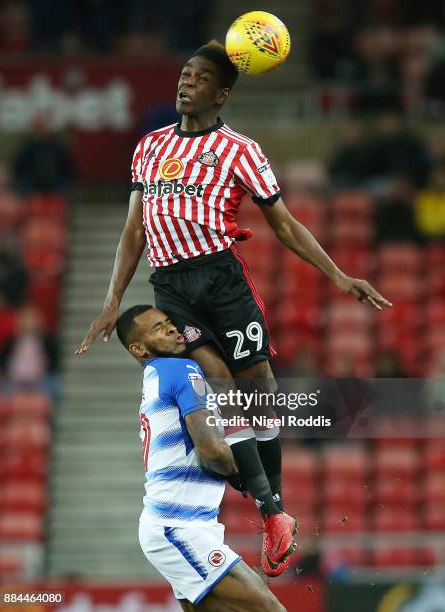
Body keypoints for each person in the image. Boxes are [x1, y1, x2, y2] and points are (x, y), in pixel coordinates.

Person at [76, 40, 391, 574]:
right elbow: (134, 229)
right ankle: (271, 513)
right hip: (172, 285)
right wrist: (111, 302)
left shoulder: (241, 150)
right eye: (184, 74)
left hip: (223, 279)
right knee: (217, 382)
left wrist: (338, 274)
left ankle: (277, 510)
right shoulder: (148, 146)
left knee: (259, 394)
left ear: (221, 94)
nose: (186, 83)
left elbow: (285, 224)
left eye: (199, 78)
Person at [116, 304, 286, 612]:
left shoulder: (159, 376)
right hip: (179, 526)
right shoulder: (182, 369)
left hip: (184, 524)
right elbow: (213, 454)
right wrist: (253, 475)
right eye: (157, 328)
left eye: (169, 322)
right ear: (138, 348)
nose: (171, 328)